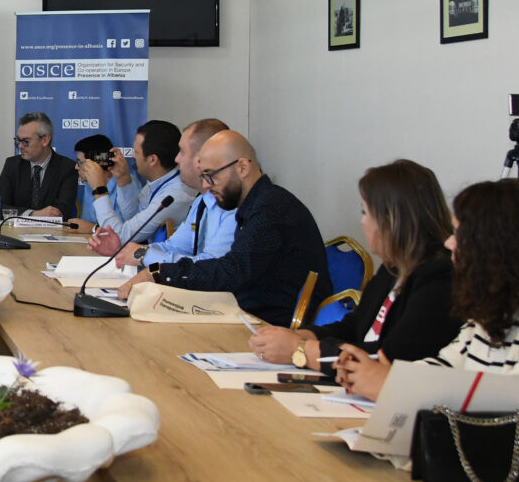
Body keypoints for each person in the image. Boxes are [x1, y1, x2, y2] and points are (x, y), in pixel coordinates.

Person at [336, 179, 519, 399]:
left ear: (496, 246)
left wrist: (393, 387)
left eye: (459, 234)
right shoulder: (498, 304)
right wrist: (379, 377)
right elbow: (446, 365)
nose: (449, 243)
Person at [249, 160, 459, 374]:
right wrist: (299, 336)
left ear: (390, 220)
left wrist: (301, 350)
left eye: (365, 212)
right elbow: (353, 327)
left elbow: (391, 358)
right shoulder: (394, 267)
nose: (362, 222)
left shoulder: (439, 278)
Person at [116, 129, 330, 327]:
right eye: (204, 177)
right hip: (247, 316)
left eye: (211, 175)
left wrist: (159, 273)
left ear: (242, 168)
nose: (206, 185)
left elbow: (232, 272)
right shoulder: (256, 204)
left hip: (269, 327)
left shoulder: (271, 209)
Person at [103, 118, 236, 267]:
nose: (177, 159)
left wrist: (99, 191)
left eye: (182, 152)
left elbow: (208, 266)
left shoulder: (231, 208)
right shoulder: (201, 201)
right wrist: (132, 252)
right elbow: (174, 247)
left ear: (203, 159)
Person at [72, 120, 194, 246]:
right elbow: (133, 217)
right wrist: (123, 179)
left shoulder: (173, 195)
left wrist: (99, 190)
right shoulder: (157, 183)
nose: (133, 156)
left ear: (152, 160)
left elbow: (120, 237)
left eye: (136, 152)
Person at [0, 112, 78, 218]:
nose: (20, 146)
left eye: (26, 141)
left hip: (52, 228)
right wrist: (32, 214)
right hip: (16, 228)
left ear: (45, 140)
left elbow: (63, 210)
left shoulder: (67, 168)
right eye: (18, 140)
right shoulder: (12, 165)